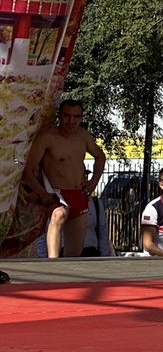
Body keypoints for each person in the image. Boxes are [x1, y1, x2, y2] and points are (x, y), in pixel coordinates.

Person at [21, 99, 106, 258]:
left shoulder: (83, 135)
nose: (71, 121)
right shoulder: (48, 137)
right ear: (59, 116)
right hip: (56, 193)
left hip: (78, 194)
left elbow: (100, 156)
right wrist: (44, 195)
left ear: (81, 118)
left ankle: (66, 277)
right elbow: (27, 171)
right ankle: (52, 262)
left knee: (74, 253)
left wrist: (94, 181)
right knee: (59, 215)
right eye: (67, 116)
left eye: (76, 117)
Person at [36, 192, 112, 258]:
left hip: (90, 253)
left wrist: (105, 259)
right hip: (60, 252)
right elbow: (42, 233)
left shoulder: (96, 203)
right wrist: (43, 260)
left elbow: (103, 234)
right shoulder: (53, 204)